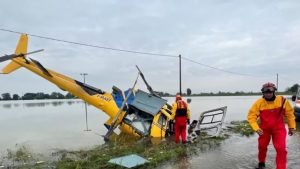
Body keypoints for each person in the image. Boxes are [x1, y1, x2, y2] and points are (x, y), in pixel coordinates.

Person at [247, 82, 296, 169]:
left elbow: (290, 115)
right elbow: (251, 117)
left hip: (279, 129)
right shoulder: (259, 103)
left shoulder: (283, 100)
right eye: (266, 92)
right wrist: (256, 128)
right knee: (262, 147)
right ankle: (261, 163)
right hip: (264, 130)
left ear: (274, 92)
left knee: (281, 149)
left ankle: (281, 167)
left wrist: (292, 127)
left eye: (270, 91)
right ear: (263, 92)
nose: (268, 93)